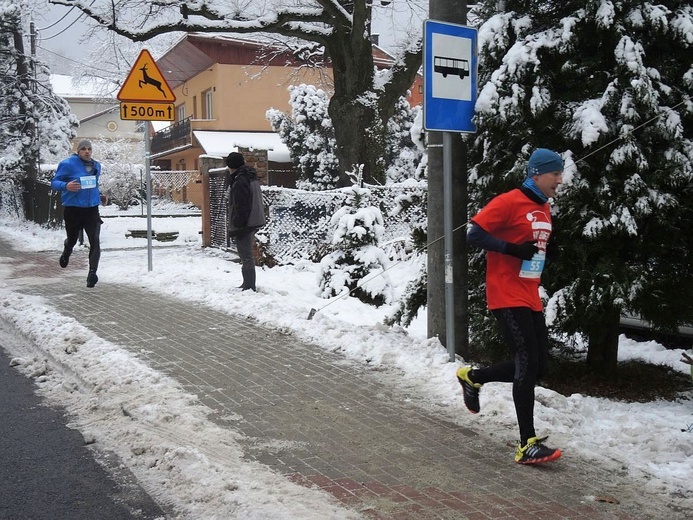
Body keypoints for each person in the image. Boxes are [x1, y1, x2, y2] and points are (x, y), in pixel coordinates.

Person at [457, 148, 564, 465]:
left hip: (529, 292)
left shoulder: (544, 207)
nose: (560, 178)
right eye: (555, 173)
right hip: (505, 292)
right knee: (527, 360)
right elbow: (473, 234)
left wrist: (545, 249)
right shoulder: (508, 201)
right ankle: (526, 443)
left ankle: (474, 377)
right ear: (537, 174)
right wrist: (512, 249)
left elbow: (535, 245)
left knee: (538, 364)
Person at [51, 139, 105, 288]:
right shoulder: (67, 164)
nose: (87, 151)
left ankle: (92, 273)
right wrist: (66, 185)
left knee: (95, 240)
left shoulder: (96, 166)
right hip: (73, 209)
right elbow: (54, 182)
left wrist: (98, 196)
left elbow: (93, 184)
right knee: (73, 239)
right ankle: (67, 250)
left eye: (89, 149)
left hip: (92, 210)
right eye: (83, 149)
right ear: (78, 151)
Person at [224, 152, 266, 291]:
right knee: (246, 253)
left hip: (245, 222)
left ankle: (249, 285)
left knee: (245, 254)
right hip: (253, 219)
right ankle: (247, 283)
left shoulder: (241, 179)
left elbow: (242, 204)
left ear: (231, 166)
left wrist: (237, 222)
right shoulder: (249, 175)